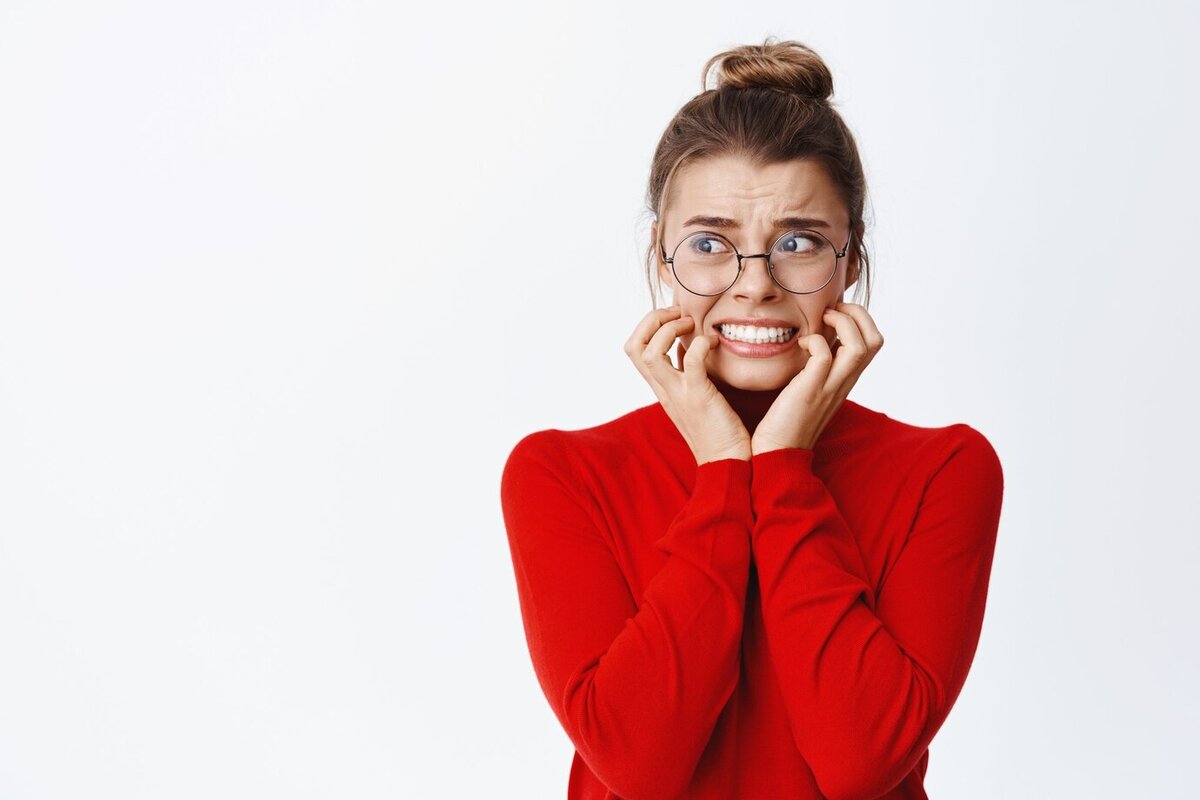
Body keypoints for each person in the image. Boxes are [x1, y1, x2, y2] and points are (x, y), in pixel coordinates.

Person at [500, 37, 1004, 800]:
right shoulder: (560, 475)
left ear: (851, 262)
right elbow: (639, 766)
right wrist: (722, 471)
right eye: (710, 244)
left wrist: (782, 470)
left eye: (798, 242)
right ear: (660, 261)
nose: (754, 286)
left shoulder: (946, 471)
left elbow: (860, 762)